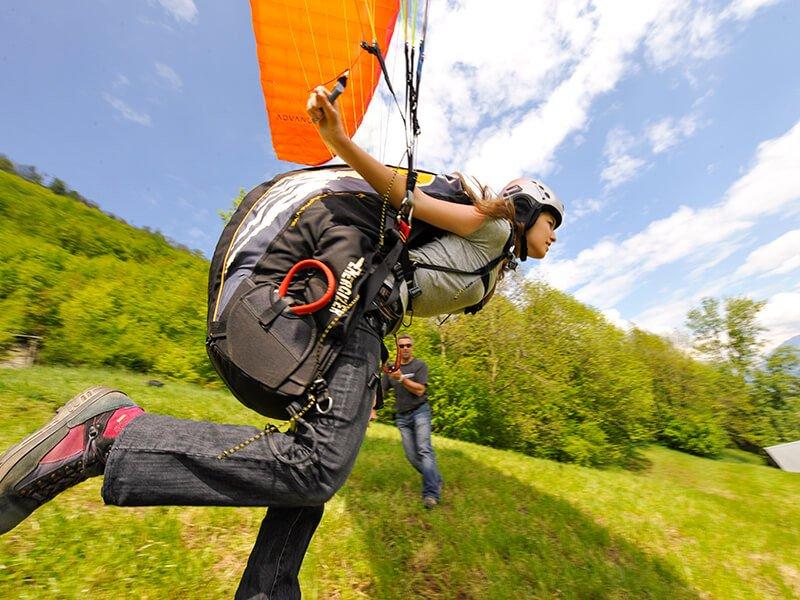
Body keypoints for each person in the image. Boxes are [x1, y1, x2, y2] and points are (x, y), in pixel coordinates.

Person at [0, 86, 563, 599]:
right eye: (551, 221)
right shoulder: (490, 228)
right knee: (317, 466)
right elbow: (405, 199)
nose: (555, 235)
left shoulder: (492, 265)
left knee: (315, 467)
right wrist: (339, 139)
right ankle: (110, 434)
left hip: (366, 325)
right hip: (354, 314)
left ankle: (267, 591)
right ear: (527, 209)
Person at [382, 334, 442, 509]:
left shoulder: (420, 365)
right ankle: (436, 479)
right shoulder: (391, 369)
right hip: (402, 416)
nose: (405, 348)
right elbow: (381, 391)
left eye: (408, 345)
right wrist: (371, 409)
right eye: (402, 346)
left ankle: (431, 494)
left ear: (412, 347)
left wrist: (401, 378)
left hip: (420, 412)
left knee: (424, 450)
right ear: (398, 349)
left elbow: (420, 391)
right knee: (411, 456)